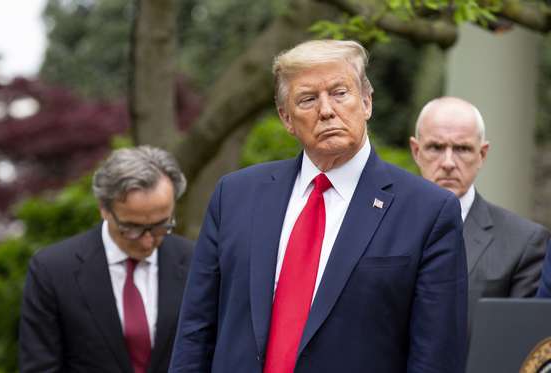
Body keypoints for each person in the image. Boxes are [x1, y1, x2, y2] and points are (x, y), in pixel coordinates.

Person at [169, 39, 467, 373]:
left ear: (367, 102)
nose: (326, 110)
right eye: (308, 99)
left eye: (340, 93)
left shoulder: (427, 211)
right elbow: (196, 329)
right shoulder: (235, 196)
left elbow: (436, 355)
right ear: (286, 118)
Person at [19, 146, 194, 373]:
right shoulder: (52, 270)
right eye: (132, 228)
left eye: (162, 225)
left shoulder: (196, 262)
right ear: (104, 208)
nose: (147, 241)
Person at [410, 96, 550, 327]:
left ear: (482, 155)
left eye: (462, 149)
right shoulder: (380, 224)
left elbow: (520, 343)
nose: (448, 162)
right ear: (416, 151)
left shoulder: (524, 242)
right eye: (436, 147)